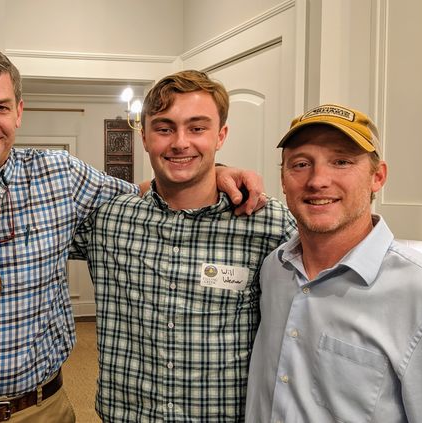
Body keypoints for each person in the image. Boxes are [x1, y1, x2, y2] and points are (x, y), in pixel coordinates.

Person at [0, 46, 268, 422]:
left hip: (42, 410)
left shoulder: (61, 175)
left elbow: (149, 196)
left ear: (19, 112)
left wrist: (214, 172)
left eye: (0, 107)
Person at [70, 70, 296, 422]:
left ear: (220, 135)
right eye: (164, 128)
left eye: (197, 128)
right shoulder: (108, 221)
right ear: (144, 136)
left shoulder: (267, 223)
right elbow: (31, 232)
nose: (179, 142)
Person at [245, 104, 422, 422]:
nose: (318, 180)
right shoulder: (273, 270)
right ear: (283, 178)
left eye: (341, 162)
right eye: (301, 164)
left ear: (378, 177)